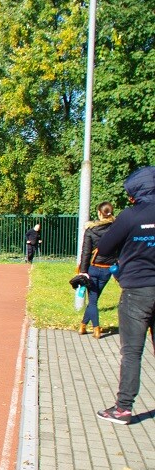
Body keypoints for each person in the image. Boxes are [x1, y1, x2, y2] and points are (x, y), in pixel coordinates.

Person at [95, 166, 155, 425]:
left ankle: (123, 408)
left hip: (138, 290)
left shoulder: (130, 216)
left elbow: (105, 246)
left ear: (135, 193)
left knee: (132, 351)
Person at [76, 202, 117, 338]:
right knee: (94, 299)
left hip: (92, 269)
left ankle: (96, 328)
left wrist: (82, 271)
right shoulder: (117, 229)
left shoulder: (91, 230)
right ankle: (83, 325)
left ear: (100, 213)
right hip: (108, 269)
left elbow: (86, 252)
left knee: (93, 301)